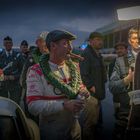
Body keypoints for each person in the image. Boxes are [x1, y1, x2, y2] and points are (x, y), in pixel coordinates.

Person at [26, 30, 90, 140]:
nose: (70, 48)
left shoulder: (74, 67)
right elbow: (33, 106)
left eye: (71, 43)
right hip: (53, 132)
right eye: (66, 43)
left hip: (75, 131)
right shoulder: (35, 71)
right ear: (53, 46)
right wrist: (63, 105)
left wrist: (85, 93)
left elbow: (81, 87)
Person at [109, 27, 140, 139]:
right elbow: (112, 87)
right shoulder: (120, 61)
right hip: (127, 112)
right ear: (129, 40)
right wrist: (127, 80)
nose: (138, 41)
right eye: (135, 38)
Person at [79, 32, 107, 140]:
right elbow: (83, 72)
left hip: (98, 93)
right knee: (90, 123)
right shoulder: (86, 53)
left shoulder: (97, 54)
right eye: (97, 39)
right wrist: (90, 86)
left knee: (97, 121)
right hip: (91, 94)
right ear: (90, 41)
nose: (100, 42)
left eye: (101, 39)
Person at [19, 31, 49, 113]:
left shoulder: (53, 58)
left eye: (48, 42)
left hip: (49, 98)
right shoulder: (32, 58)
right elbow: (23, 80)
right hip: (34, 97)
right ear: (38, 44)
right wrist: (34, 90)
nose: (46, 45)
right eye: (43, 42)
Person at [108, 42, 128, 119]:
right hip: (117, 98)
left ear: (126, 50)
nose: (119, 50)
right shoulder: (112, 64)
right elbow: (112, 83)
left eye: (121, 48)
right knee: (119, 118)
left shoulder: (132, 62)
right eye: (117, 49)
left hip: (131, 96)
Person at [0, 36, 22, 104]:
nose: (8, 44)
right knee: (4, 106)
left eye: (9, 43)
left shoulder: (18, 55)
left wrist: (14, 77)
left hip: (15, 85)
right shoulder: (1, 56)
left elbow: (22, 71)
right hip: (3, 85)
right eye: (6, 43)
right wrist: (2, 77)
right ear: (4, 44)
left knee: (15, 105)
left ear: (12, 44)